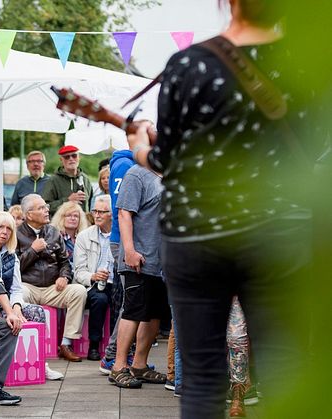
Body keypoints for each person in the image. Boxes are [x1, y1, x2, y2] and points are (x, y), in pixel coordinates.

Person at [125, 1, 316, 416]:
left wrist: (140, 147)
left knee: (202, 378)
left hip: (197, 233)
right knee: (285, 367)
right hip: (278, 229)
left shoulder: (189, 64)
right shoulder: (308, 64)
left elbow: (168, 160)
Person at [0, 211, 64, 382]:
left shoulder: (11, 255)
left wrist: (16, 308)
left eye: (9, 229)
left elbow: (16, 288)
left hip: (7, 303)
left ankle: (40, 365)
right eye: (0, 227)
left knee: (37, 312)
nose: (5, 232)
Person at [108, 165, 167, 389]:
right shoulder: (136, 174)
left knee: (153, 316)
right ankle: (119, 366)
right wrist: (130, 251)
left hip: (161, 262)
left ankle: (139, 365)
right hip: (138, 259)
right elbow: (123, 213)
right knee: (133, 311)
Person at [16, 194, 86, 362]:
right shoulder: (17, 234)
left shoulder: (54, 232)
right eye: (41, 208)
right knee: (18, 297)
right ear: (29, 214)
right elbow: (13, 268)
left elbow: (64, 262)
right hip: (28, 286)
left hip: (52, 288)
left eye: (46, 206)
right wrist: (33, 251)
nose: (47, 210)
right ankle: (24, 346)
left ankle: (66, 344)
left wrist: (64, 276)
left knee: (79, 291)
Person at [99, 149, 135, 374]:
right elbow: (123, 208)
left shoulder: (125, 163)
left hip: (126, 241)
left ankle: (125, 355)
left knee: (133, 303)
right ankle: (113, 355)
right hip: (123, 241)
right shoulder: (123, 164)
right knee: (130, 303)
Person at [73, 195, 115, 361]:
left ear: (112, 214)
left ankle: (119, 347)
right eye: (94, 211)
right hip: (92, 285)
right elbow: (78, 271)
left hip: (116, 282)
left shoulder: (120, 235)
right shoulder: (84, 236)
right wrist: (93, 276)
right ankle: (94, 346)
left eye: (101, 212)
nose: (96, 215)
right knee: (99, 299)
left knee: (122, 299)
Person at [42, 145, 94, 215]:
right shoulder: (53, 180)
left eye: (74, 156)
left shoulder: (85, 179)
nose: (71, 159)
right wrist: (67, 200)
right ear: (61, 160)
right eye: (67, 157)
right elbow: (45, 206)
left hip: (83, 223)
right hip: (60, 223)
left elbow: (90, 204)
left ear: (79, 158)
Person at [49, 201, 89, 267]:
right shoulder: (54, 237)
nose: (73, 218)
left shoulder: (84, 238)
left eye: (76, 216)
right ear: (61, 218)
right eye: (69, 215)